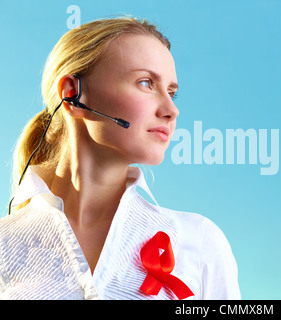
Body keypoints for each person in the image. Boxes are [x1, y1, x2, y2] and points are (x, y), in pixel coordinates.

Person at [0, 17, 240, 300]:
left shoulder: (198, 241)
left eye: (172, 92)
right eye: (146, 83)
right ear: (72, 95)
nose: (171, 110)